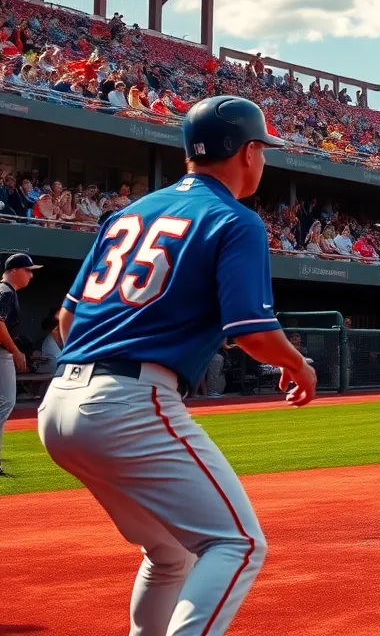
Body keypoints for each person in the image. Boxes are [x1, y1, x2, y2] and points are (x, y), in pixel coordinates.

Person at [37, 96, 317, 635]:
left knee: (169, 552)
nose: (263, 159)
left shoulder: (130, 213)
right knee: (237, 543)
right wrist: (299, 364)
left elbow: (68, 320)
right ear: (247, 151)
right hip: (127, 401)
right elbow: (252, 331)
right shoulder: (236, 220)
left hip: (60, 404)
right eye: (261, 148)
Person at [0, 253, 41, 475]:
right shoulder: (6, 291)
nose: (31, 275)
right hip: (1, 353)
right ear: (14, 270)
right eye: (28, 270)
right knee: (5, 402)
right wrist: (16, 350)